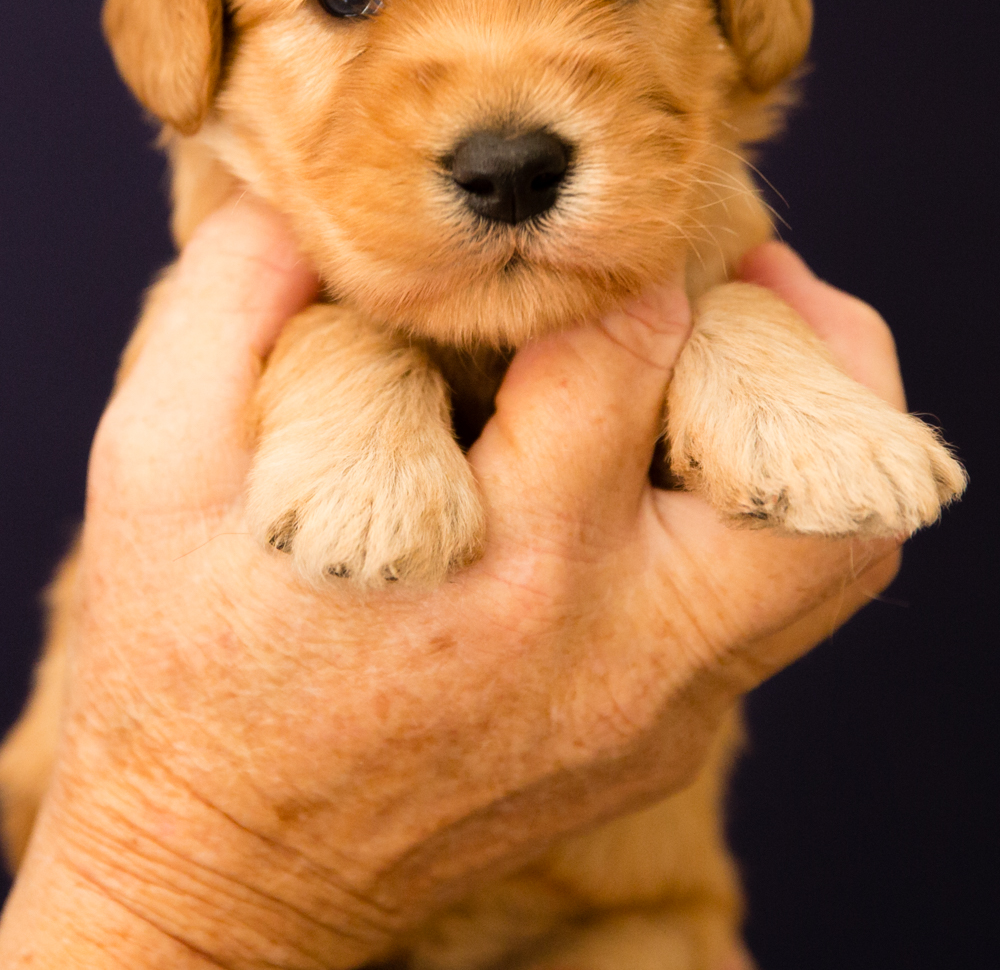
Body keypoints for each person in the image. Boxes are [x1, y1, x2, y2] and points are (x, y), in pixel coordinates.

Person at [0, 199, 904, 967]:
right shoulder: (265, 271)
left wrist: (746, 345)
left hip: (606, 928)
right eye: (350, 1)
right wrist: (199, 895)